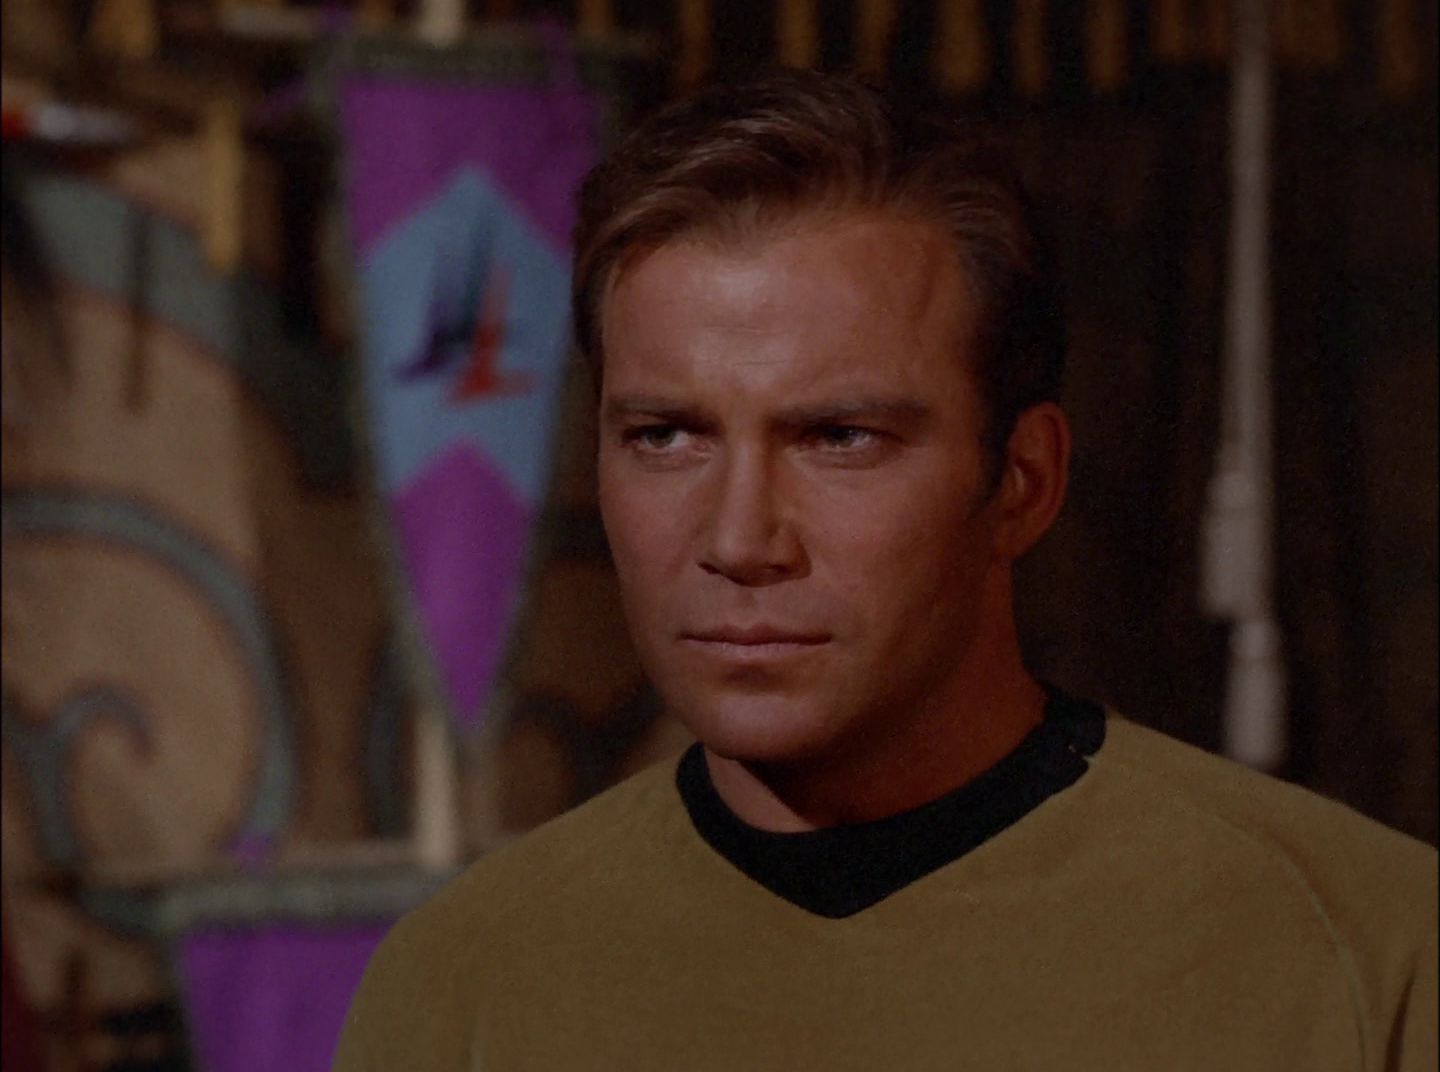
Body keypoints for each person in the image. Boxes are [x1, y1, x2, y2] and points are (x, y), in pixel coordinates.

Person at [334, 69, 1436, 1070]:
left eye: (840, 438)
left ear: (1024, 481)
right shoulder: (464, 983)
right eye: (666, 436)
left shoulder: (1370, 953)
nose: (739, 539)